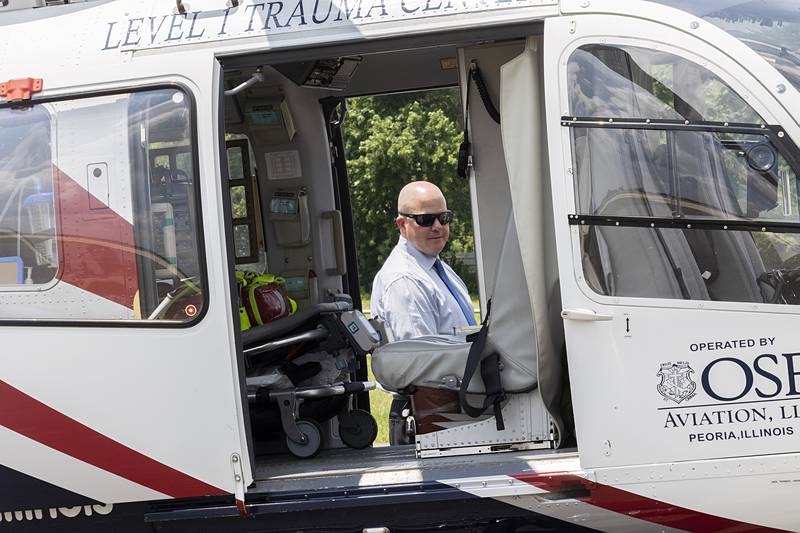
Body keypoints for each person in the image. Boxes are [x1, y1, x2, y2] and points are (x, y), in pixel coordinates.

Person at [370, 181, 477, 341]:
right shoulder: (405, 282)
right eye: (425, 219)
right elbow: (423, 360)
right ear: (402, 225)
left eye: (443, 218)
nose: (437, 226)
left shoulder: (440, 269)